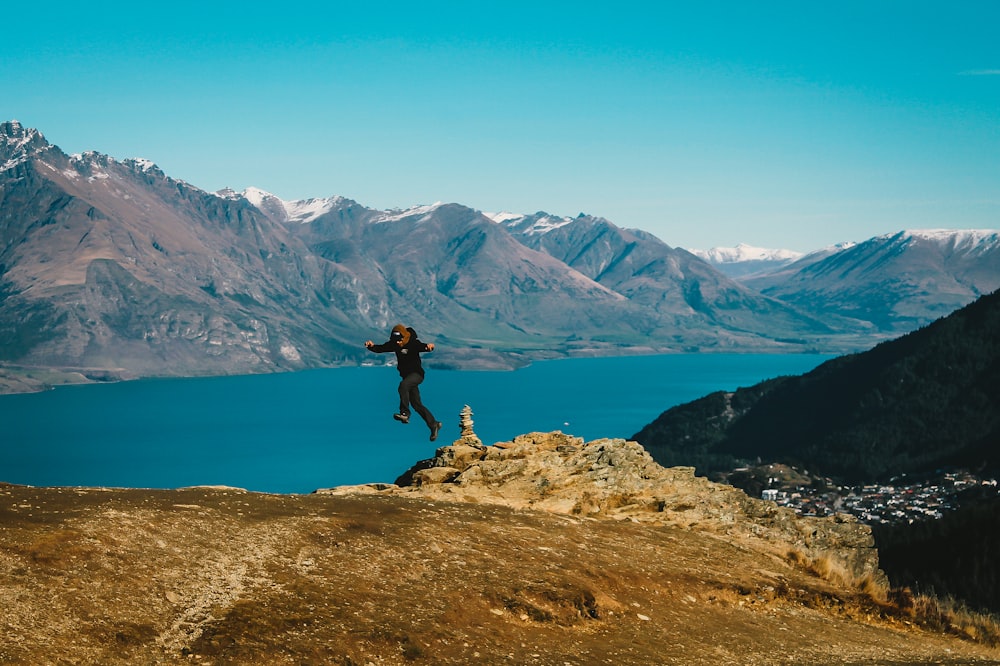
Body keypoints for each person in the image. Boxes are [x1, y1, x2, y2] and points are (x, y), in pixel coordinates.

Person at [365, 324, 443, 441]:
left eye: (399, 340)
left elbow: (423, 347)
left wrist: (429, 347)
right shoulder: (394, 344)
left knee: (403, 386)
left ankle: (405, 413)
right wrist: (371, 346)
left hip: (417, 375)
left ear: (405, 337)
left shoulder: (413, 343)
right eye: (395, 341)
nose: (397, 343)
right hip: (407, 376)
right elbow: (381, 348)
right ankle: (433, 424)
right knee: (417, 404)